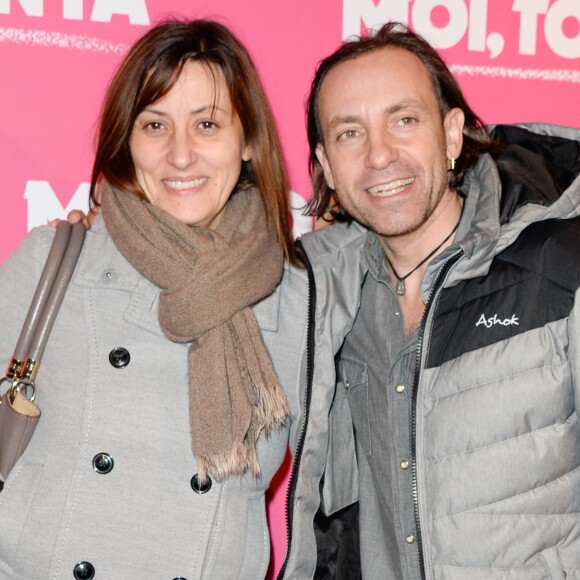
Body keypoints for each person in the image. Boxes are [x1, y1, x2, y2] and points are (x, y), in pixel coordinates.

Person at [0, 19, 308, 579]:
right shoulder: (53, 262)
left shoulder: (300, 295)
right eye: (155, 124)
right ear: (127, 139)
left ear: (247, 142)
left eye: (207, 124)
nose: (180, 155)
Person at [278, 21, 580, 580]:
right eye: (350, 134)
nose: (379, 155)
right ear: (324, 164)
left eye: (403, 120)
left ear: (451, 134)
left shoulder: (562, 263)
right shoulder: (320, 294)